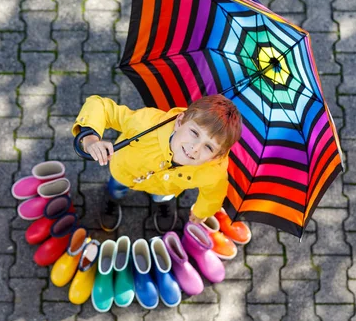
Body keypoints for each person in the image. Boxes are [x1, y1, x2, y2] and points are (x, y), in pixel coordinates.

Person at [71, 94, 243, 233]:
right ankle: (112, 199)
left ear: (216, 156)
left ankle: (162, 204)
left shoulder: (214, 171)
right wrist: (90, 138)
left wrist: (201, 212)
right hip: (125, 171)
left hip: (166, 188)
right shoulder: (145, 123)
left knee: (163, 196)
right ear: (179, 121)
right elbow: (100, 106)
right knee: (116, 188)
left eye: (208, 147)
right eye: (194, 133)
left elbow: (213, 194)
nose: (195, 148)